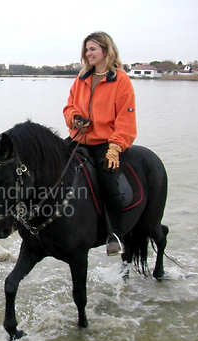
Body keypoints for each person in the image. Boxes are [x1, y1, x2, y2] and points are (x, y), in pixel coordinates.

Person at [63, 31, 137, 256]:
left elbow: (126, 118)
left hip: (107, 142)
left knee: (106, 179)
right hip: (79, 139)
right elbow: (69, 107)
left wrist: (115, 147)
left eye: (92, 49)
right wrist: (75, 118)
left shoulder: (121, 80)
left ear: (106, 50)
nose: (88, 53)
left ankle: (115, 234)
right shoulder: (82, 77)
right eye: (86, 50)